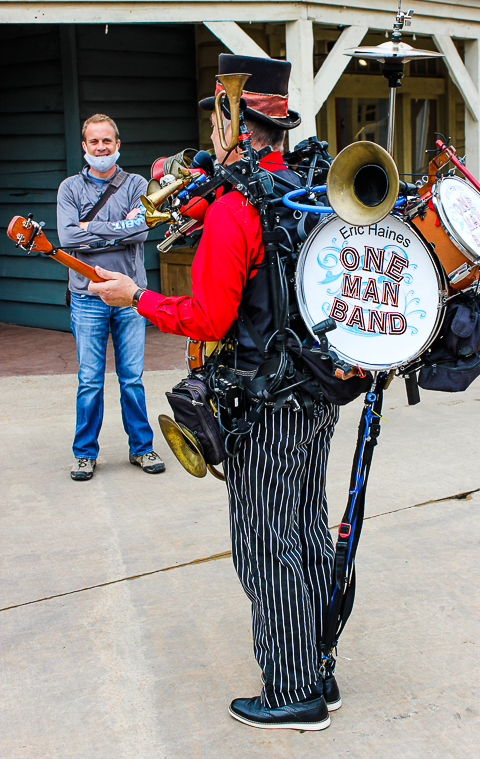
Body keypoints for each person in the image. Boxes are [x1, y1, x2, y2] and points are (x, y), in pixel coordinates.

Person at [87, 57, 340, 730]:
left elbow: (206, 317)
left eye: (216, 116)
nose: (212, 129)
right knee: (308, 528)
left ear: (235, 120)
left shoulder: (237, 208)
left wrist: (136, 296)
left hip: (262, 401)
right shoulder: (314, 187)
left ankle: (293, 690)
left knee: (266, 545)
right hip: (317, 393)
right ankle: (319, 664)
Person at [57, 113, 165, 481]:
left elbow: (140, 232)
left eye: (107, 141)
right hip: (87, 296)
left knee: (132, 377)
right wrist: (115, 230)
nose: (101, 148)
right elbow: (68, 239)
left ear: (118, 145)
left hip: (130, 295)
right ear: (84, 147)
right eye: (94, 142)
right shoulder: (69, 188)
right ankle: (85, 453)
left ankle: (142, 448)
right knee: (90, 379)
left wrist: (90, 228)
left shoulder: (136, 184)